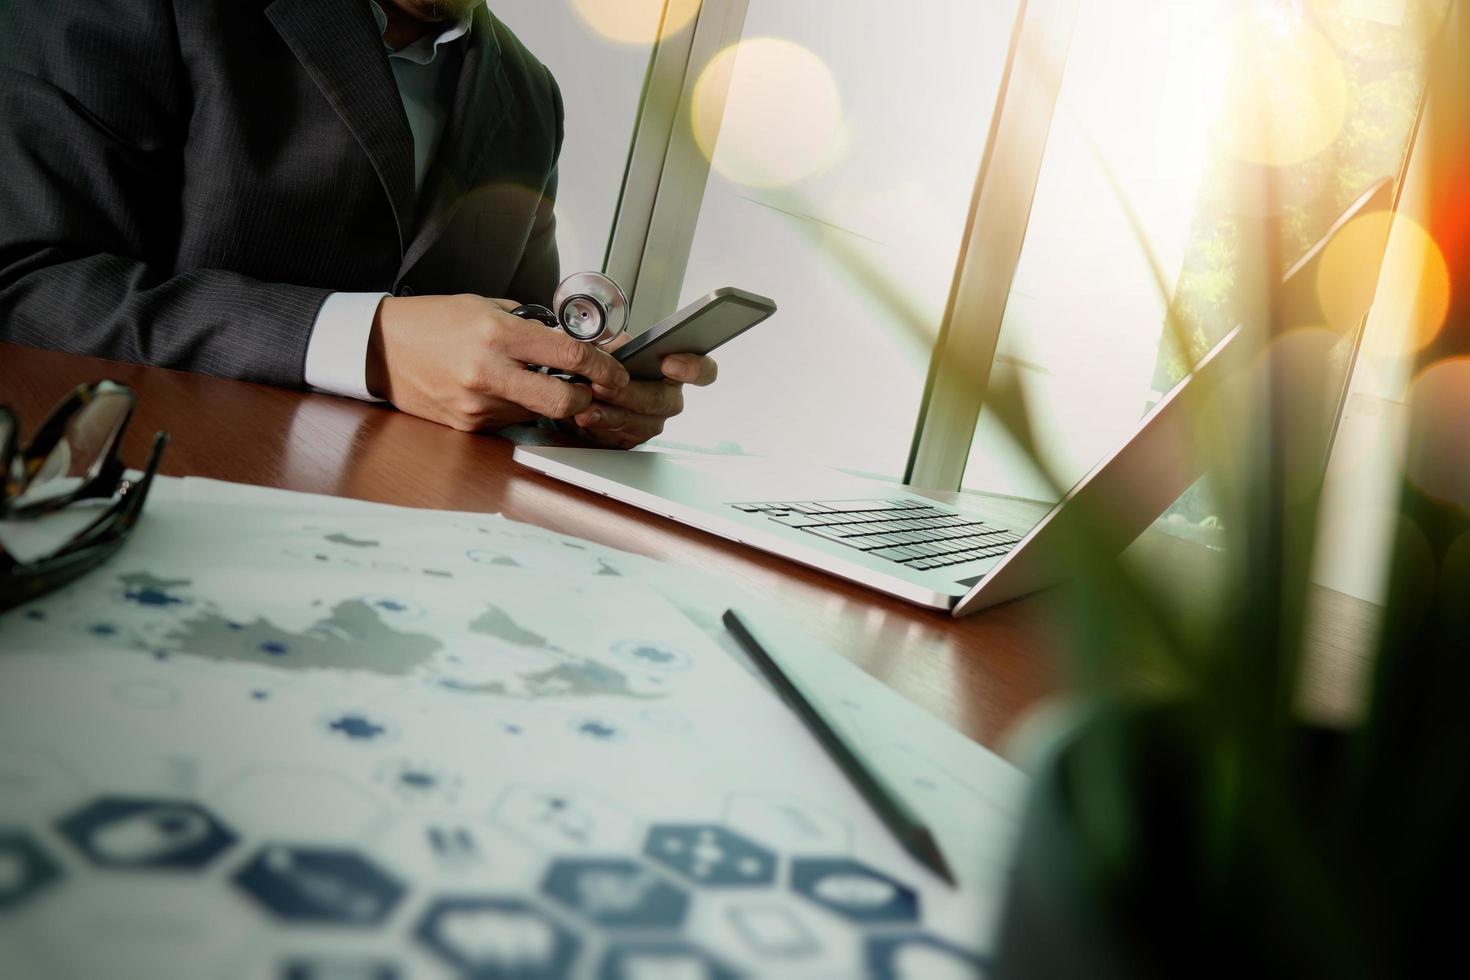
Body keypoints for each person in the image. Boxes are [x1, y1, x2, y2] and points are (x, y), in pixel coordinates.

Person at [0, 0, 716, 449]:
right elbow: (27, 285)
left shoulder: (531, 94)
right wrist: (366, 342)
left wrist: (581, 396)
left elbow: (510, 342)